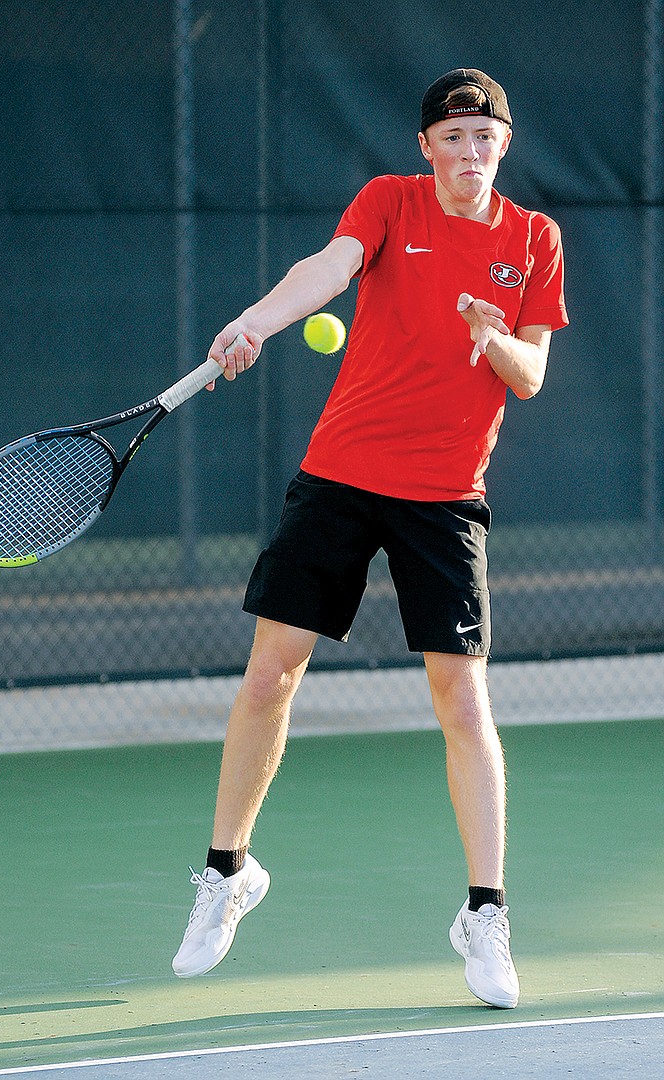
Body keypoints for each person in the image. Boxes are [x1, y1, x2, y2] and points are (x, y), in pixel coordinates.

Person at [171, 68, 568, 1009]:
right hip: (342, 475)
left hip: (445, 496)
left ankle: (484, 912)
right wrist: (260, 321)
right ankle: (228, 872)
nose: (470, 153)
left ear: (502, 146)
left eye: (485, 137)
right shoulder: (389, 203)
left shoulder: (532, 241)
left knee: (461, 698)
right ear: (425, 147)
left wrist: (491, 332)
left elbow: (530, 377)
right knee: (272, 673)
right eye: (453, 136)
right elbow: (330, 268)